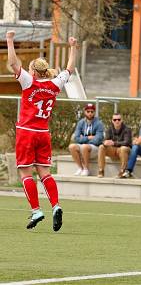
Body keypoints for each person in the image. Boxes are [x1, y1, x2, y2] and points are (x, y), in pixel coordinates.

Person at [6, 30, 77, 231]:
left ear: (34, 72)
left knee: (25, 172)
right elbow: (70, 68)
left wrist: (10, 41)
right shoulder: (55, 84)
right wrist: (73, 46)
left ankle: (36, 210)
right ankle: (56, 205)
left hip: (26, 132)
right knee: (44, 172)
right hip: (43, 133)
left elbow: (13, 63)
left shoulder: (29, 81)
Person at [69, 103, 104, 176]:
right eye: (88, 111)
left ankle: (86, 169)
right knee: (72, 146)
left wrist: (83, 139)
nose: (90, 113)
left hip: (95, 148)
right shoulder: (81, 122)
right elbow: (76, 138)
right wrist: (88, 137)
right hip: (84, 146)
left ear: (94, 112)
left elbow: (97, 140)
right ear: (85, 112)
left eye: (92, 111)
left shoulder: (99, 123)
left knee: (84, 146)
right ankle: (80, 168)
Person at [98, 113, 132, 178]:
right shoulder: (109, 129)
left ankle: (123, 171)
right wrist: (105, 142)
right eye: (115, 119)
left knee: (123, 148)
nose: (117, 121)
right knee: (101, 147)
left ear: (121, 120)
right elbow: (105, 140)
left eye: (119, 119)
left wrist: (114, 143)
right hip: (113, 150)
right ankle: (101, 170)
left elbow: (127, 142)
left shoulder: (127, 129)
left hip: (123, 151)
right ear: (112, 120)